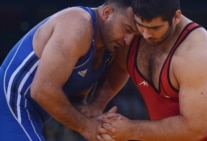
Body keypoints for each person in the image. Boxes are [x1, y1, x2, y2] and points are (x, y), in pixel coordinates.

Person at [92, 0, 207, 140]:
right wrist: (97, 105)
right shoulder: (132, 33)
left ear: (176, 17)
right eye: (141, 25)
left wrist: (131, 130)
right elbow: (120, 67)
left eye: (155, 27)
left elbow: (194, 130)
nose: (146, 34)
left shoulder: (197, 52)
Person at [0, 0, 138, 140]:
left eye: (134, 33)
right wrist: (86, 126)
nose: (128, 40)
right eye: (127, 29)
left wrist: (94, 108)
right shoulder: (77, 25)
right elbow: (42, 91)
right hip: (9, 101)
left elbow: (121, 67)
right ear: (107, 13)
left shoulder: (110, 45)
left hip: (31, 114)